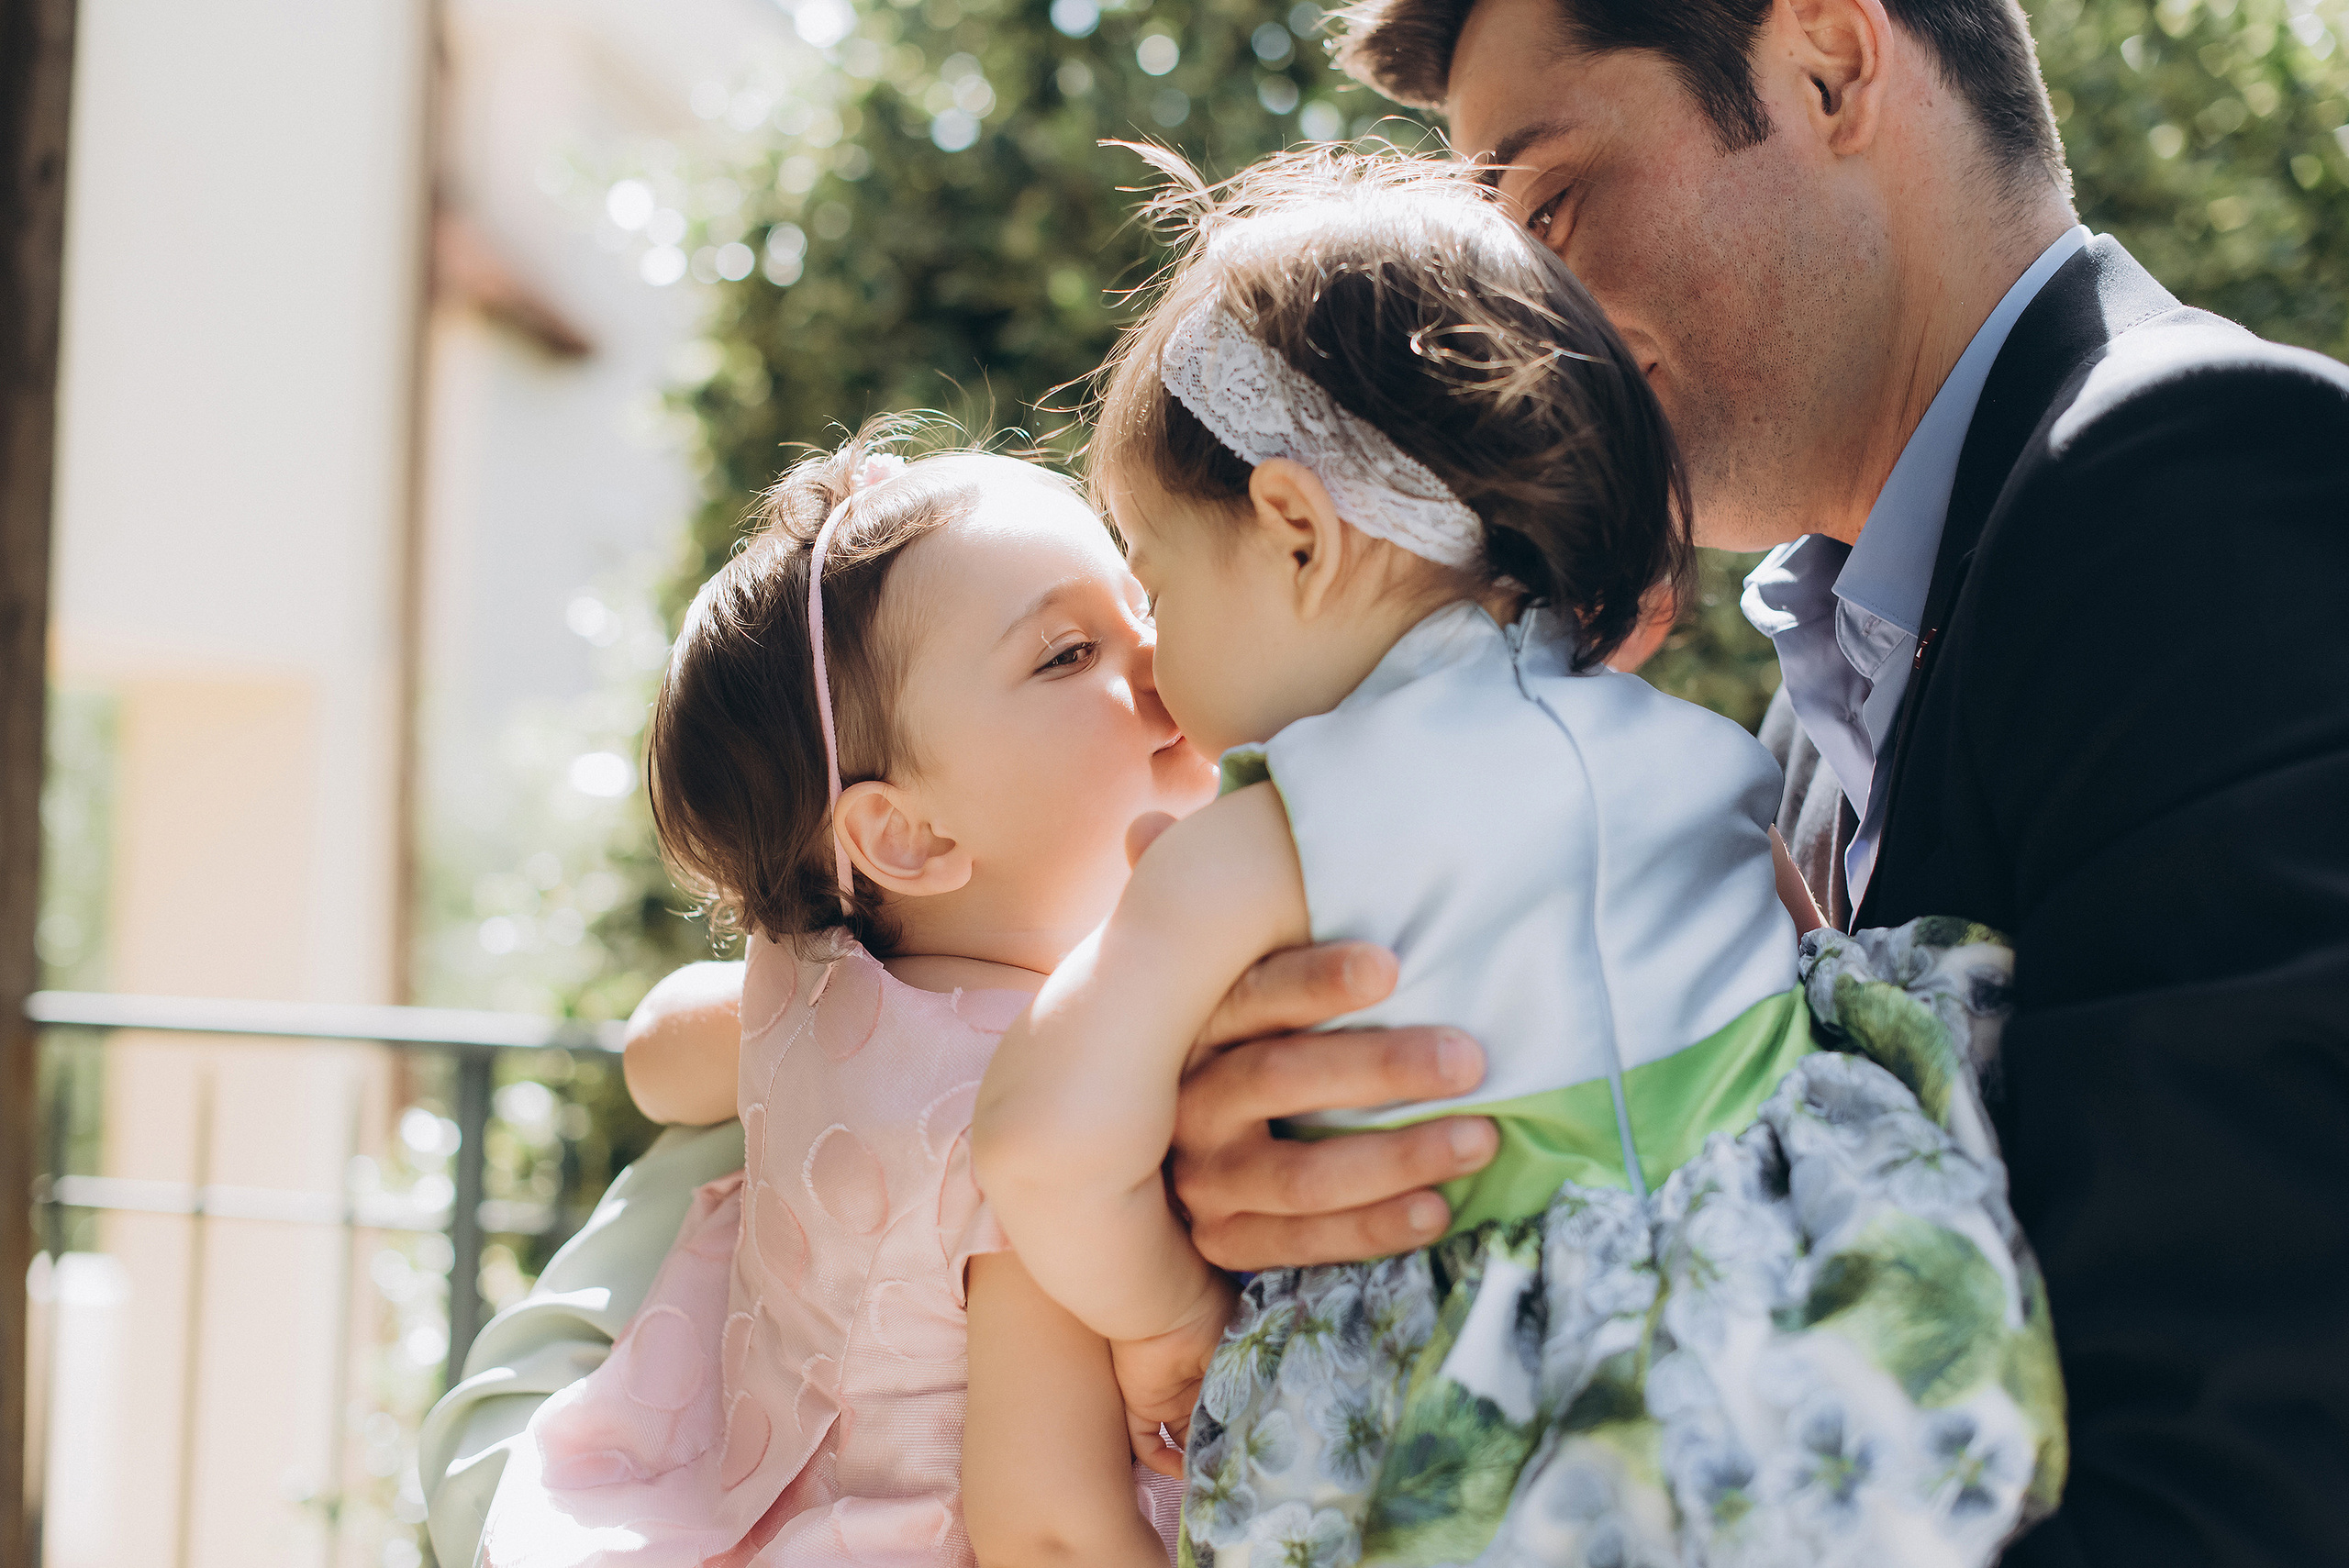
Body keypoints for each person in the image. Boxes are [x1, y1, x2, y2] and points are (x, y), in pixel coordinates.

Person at [429, 0, 2349, 1560]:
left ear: (1828, 62)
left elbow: (2250, 1421)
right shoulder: (1765, 695)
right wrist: (1223, 1163)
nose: (1528, 331)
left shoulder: (2193, 479)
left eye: (1555, 202)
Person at [974, 150, 2060, 1567]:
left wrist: (1170, 1314)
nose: (1159, 677)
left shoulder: (1268, 840)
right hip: (1836, 1356)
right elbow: (1819, 989)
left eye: (1160, 584)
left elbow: (1037, 1141)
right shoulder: (1709, 759)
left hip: (1518, 1431)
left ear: (1296, 532)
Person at [470, 432, 1213, 1566]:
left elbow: (660, 1050)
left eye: (1140, 602)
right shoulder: (1037, 1104)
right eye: (1070, 652)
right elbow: (1050, 1528)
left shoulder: (821, 981)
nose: (1159, 658)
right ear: (906, 834)